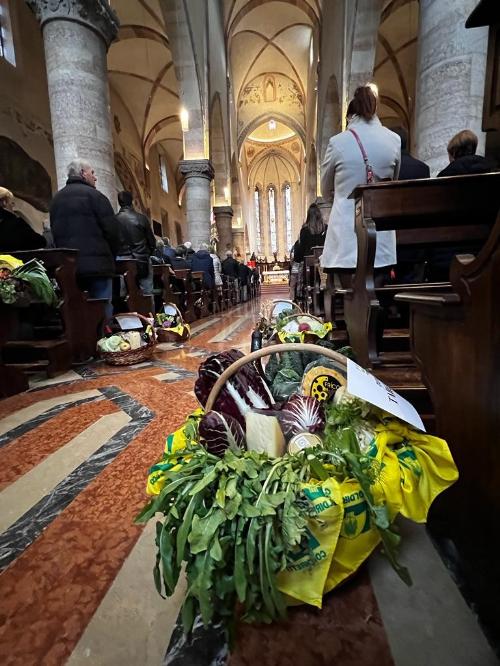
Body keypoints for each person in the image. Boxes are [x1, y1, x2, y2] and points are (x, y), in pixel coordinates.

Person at [320, 85, 401, 287]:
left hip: (346, 239)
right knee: (376, 294)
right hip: (381, 238)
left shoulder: (337, 142)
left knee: (350, 299)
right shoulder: (394, 140)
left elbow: (325, 187)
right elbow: (394, 181)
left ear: (350, 116)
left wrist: (340, 198)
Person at [50, 159, 119, 320]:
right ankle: (103, 340)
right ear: (83, 173)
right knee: (102, 308)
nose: (95, 177)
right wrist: (111, 258)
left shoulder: (56, 200)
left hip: (69, 268)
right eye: (92, 172)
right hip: (97, 266)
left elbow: (54, 233)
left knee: (76, 311)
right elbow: (112, 232)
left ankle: (82, 343)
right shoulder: (96, 196)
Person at [115, 190, 156, 294]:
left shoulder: (114, 220)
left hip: (122, 263)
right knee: (147, 292)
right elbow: (152, 242)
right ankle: (148, 310)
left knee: (124, 294)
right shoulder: (141, 218)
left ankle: (127, 310)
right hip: (141, 260)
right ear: (131, 201)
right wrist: (147, 254)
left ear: (119, 202)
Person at [0, 187, 46, 251]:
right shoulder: (14, 224)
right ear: (4, 202)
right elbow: (40, 242)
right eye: (11, 203)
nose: (13, 206)